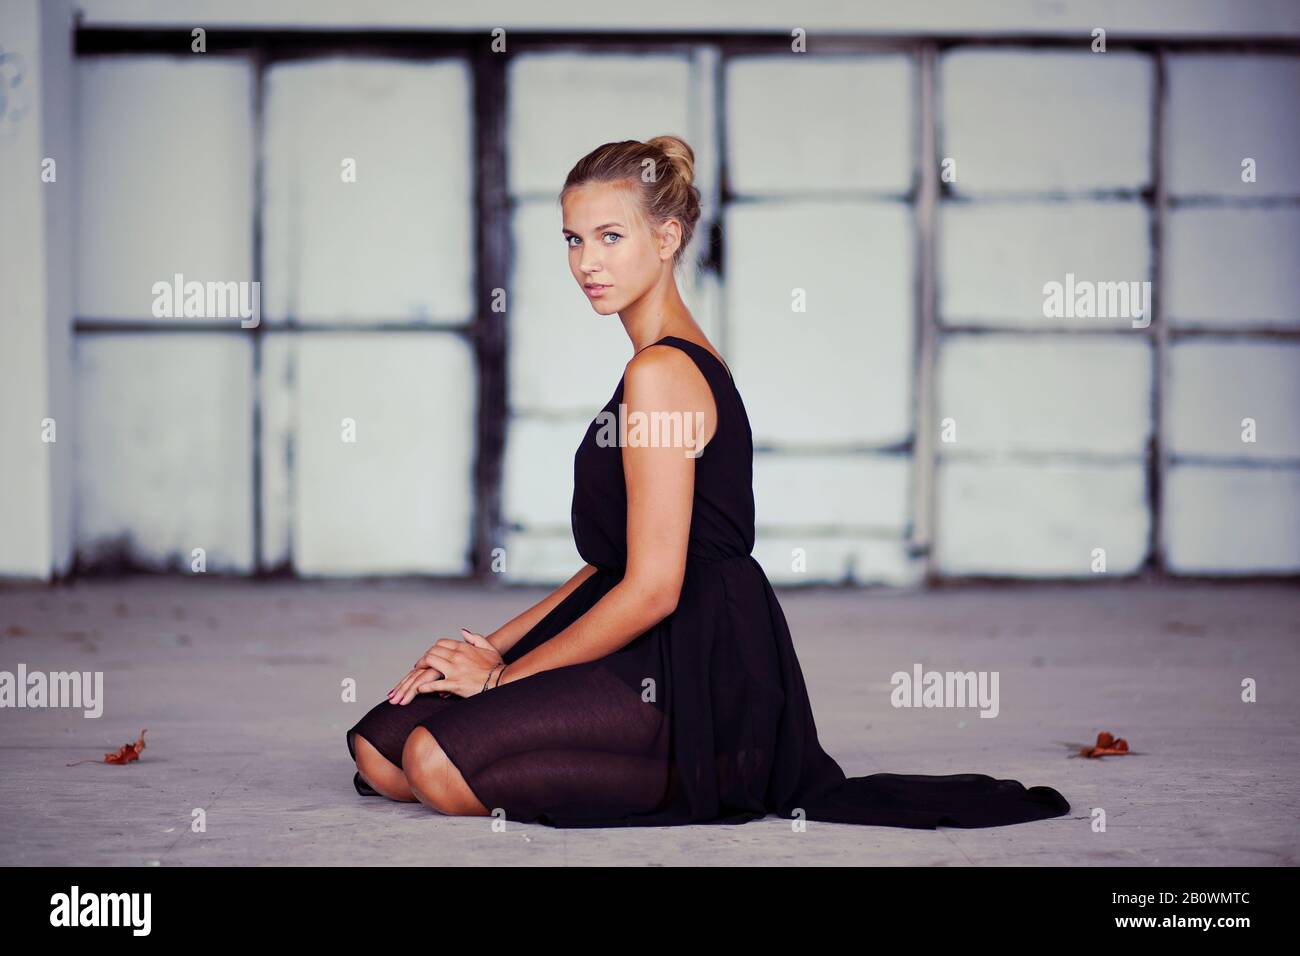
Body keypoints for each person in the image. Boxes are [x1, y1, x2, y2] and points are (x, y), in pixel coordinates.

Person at [345, 135, 1071, 829]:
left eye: (610, 236)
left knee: (433, 764)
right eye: (573, 239)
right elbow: (615, 566)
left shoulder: (661, 372)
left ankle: (717, 770)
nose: (586, 262)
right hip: (645, 624)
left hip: (697, 659)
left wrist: (504, 683)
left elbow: (655, 587)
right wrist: (493, 648)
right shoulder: (657, 364)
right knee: (379, 753)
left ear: (666, 240)